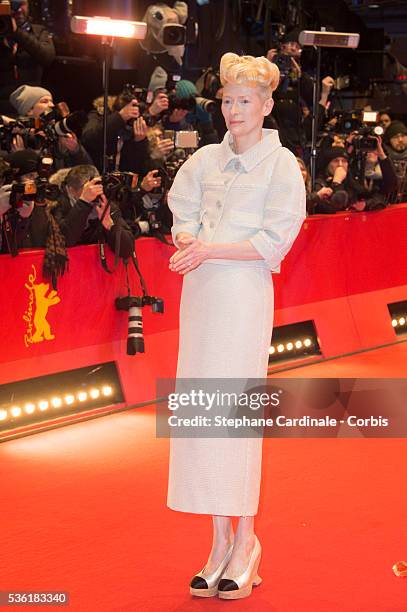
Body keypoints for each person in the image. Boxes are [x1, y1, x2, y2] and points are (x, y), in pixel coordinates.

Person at [167, 53, 306, 600]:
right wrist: (186, 241)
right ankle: (218, 540)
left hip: (243, 298)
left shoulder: (281, 165)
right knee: (201, 416)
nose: (233, 110)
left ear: (267, 105)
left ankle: (247, 542)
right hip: (200, 296)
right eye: (226, 100)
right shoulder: (203, 159)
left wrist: (208, 249)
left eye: (244, 100)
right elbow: (181, 211)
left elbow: (275, 240)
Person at [0, 0, 55, 115]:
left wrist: (17, 32)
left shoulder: (38, 31)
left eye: (22, 4)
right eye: (14, 5)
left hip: (31, 106)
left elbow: (47, 57)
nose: (19, 10)